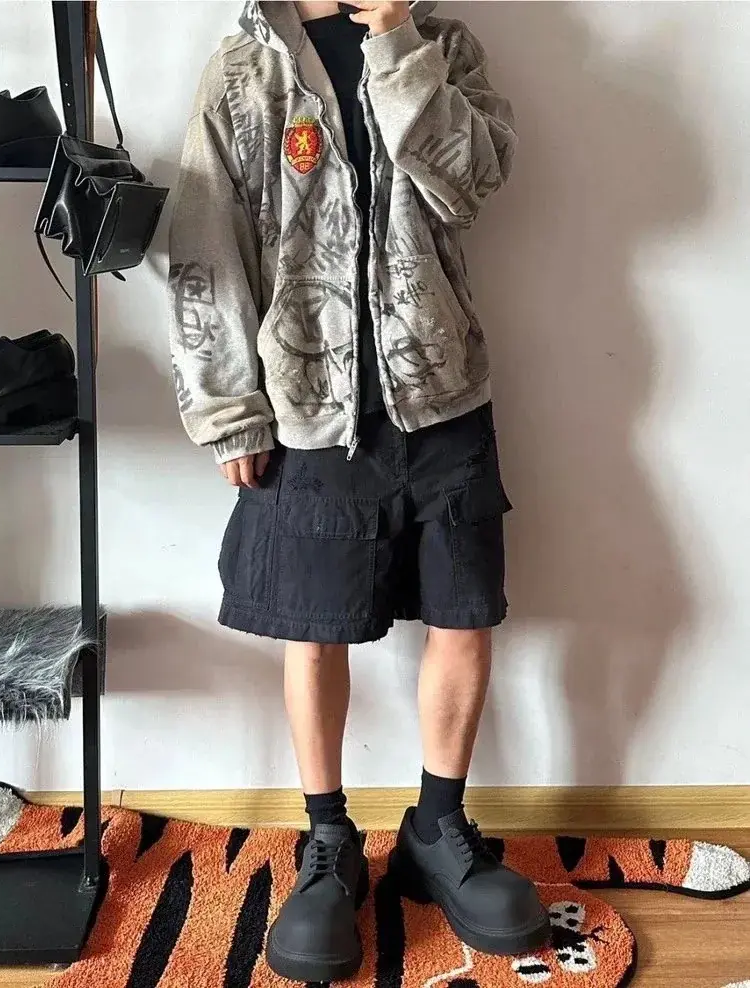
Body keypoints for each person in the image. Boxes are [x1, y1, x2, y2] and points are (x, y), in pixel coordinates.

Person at [169, 0, 551, 981]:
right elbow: (205, 242)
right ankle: (328, 839)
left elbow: (471, 182)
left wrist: (396, 46)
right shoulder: (245, 69)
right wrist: (228, 409)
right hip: (307, 407)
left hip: (443, 393)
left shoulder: (440, 44)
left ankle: (437, 827)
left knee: (465, 617)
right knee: (315, 629)